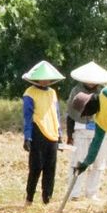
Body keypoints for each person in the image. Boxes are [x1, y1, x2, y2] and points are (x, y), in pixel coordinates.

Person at [65, 62, 107, 200]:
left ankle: (91, 193)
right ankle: (74, 193)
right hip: (80, 131)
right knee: (78, 161)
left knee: (98, 164)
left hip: (100, 130)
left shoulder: (104, 92)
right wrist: (69, 135)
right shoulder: (76, 91)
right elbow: (70, 114)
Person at [21, 60, 64, 205]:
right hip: (38, 132)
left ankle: (47, 198)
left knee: (50, 168)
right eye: (43, 77)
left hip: (52, 134)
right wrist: (27, 137)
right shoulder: (29, 93)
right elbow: (27, 117)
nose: (45, 81)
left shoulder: (52, 93)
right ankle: (29, 198)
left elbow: (56, 114)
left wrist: (60, 135)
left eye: (48, 78)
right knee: (36, 167)